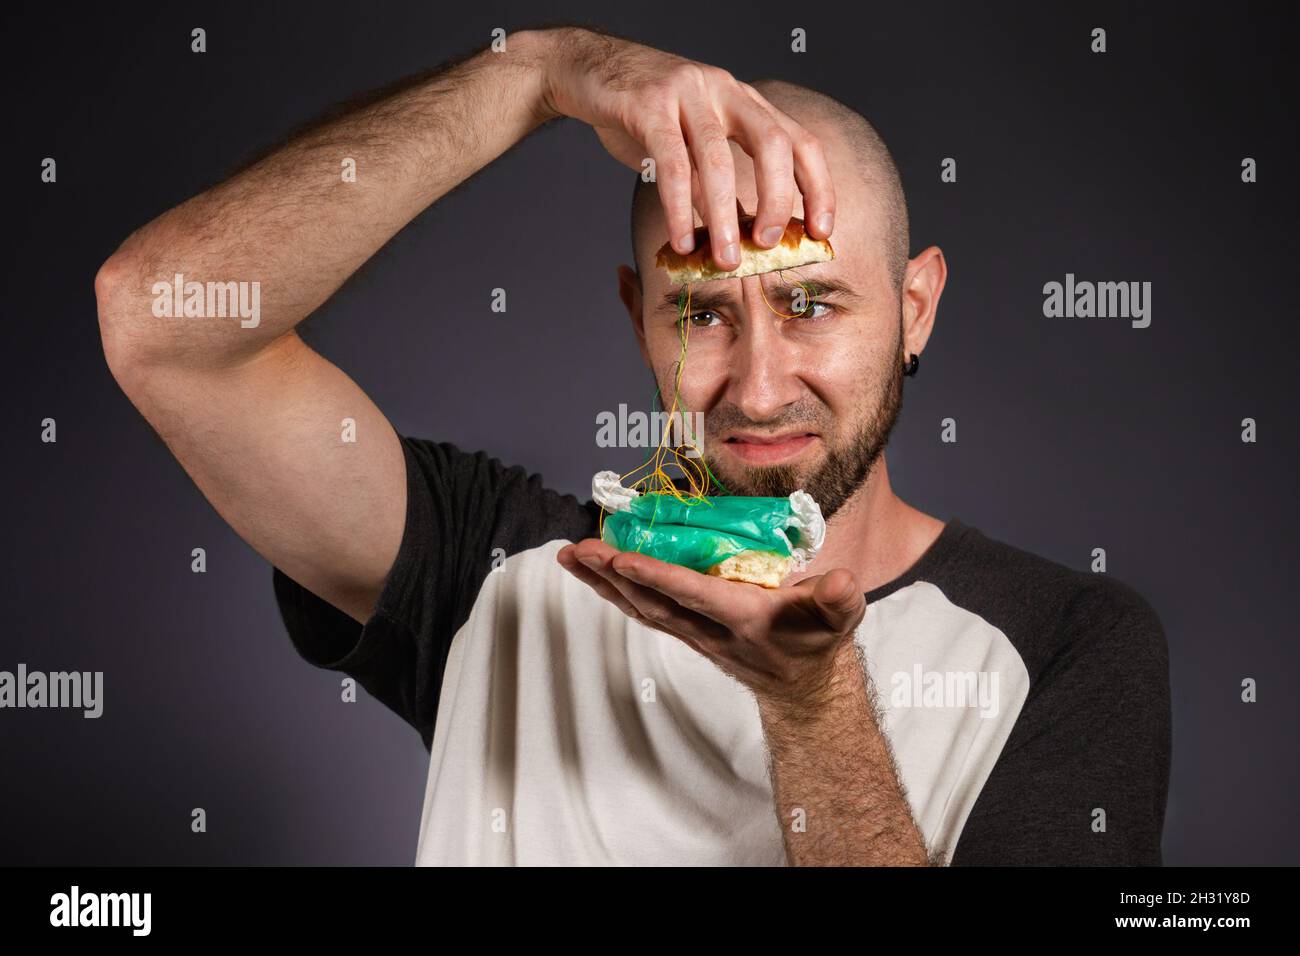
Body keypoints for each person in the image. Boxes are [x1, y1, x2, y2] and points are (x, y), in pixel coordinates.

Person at [94, 25, 1171, 866]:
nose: (756, 385)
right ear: (636, 315)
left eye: (811, 304)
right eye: (701, 314)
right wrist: (536, 73)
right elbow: (161, 321)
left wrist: (815, 705)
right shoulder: (494, 573)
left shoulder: (1067, 639)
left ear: (916, 306)